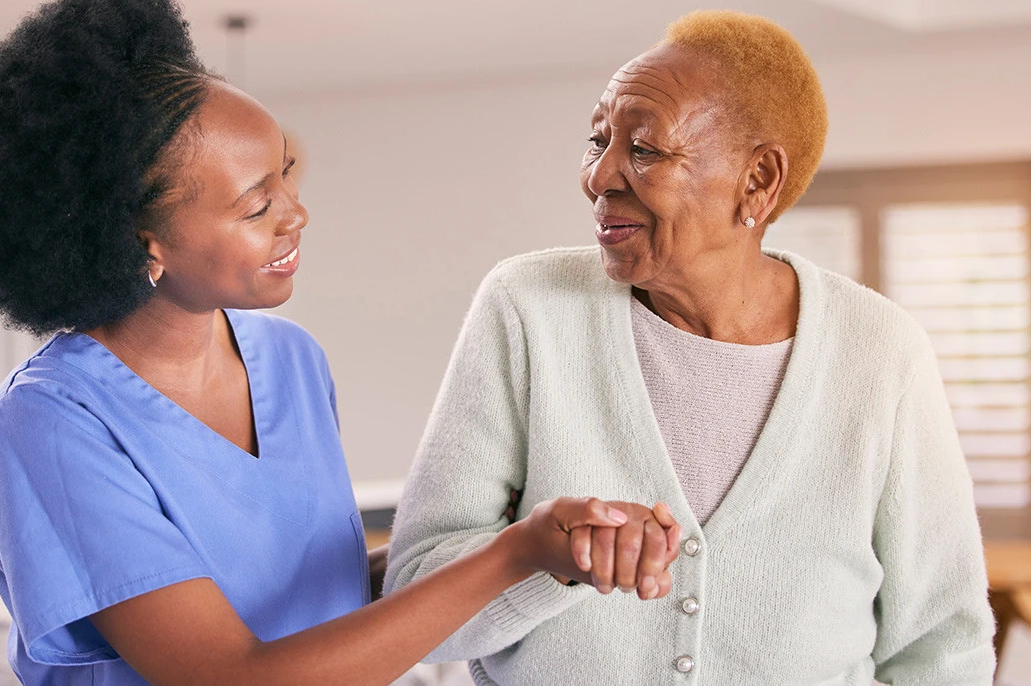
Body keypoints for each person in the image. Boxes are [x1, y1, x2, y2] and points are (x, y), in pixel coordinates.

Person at [0, 1, 681, 684]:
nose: (296, 216)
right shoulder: (49, 423)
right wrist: (511, 556)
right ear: (144, 244)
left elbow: (313, 595)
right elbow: (231, 673)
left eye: (287, 178)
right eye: (257, 204)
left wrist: (524, 545)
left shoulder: (291, 361)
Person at [384, 10, 996, 684]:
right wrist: (545, 565)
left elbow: (944, 648)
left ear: (757, 181)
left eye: (644, 150)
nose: (599, 177)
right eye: (598, 141)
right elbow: (412, 600)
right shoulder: (529, 307)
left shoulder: (882, 352)